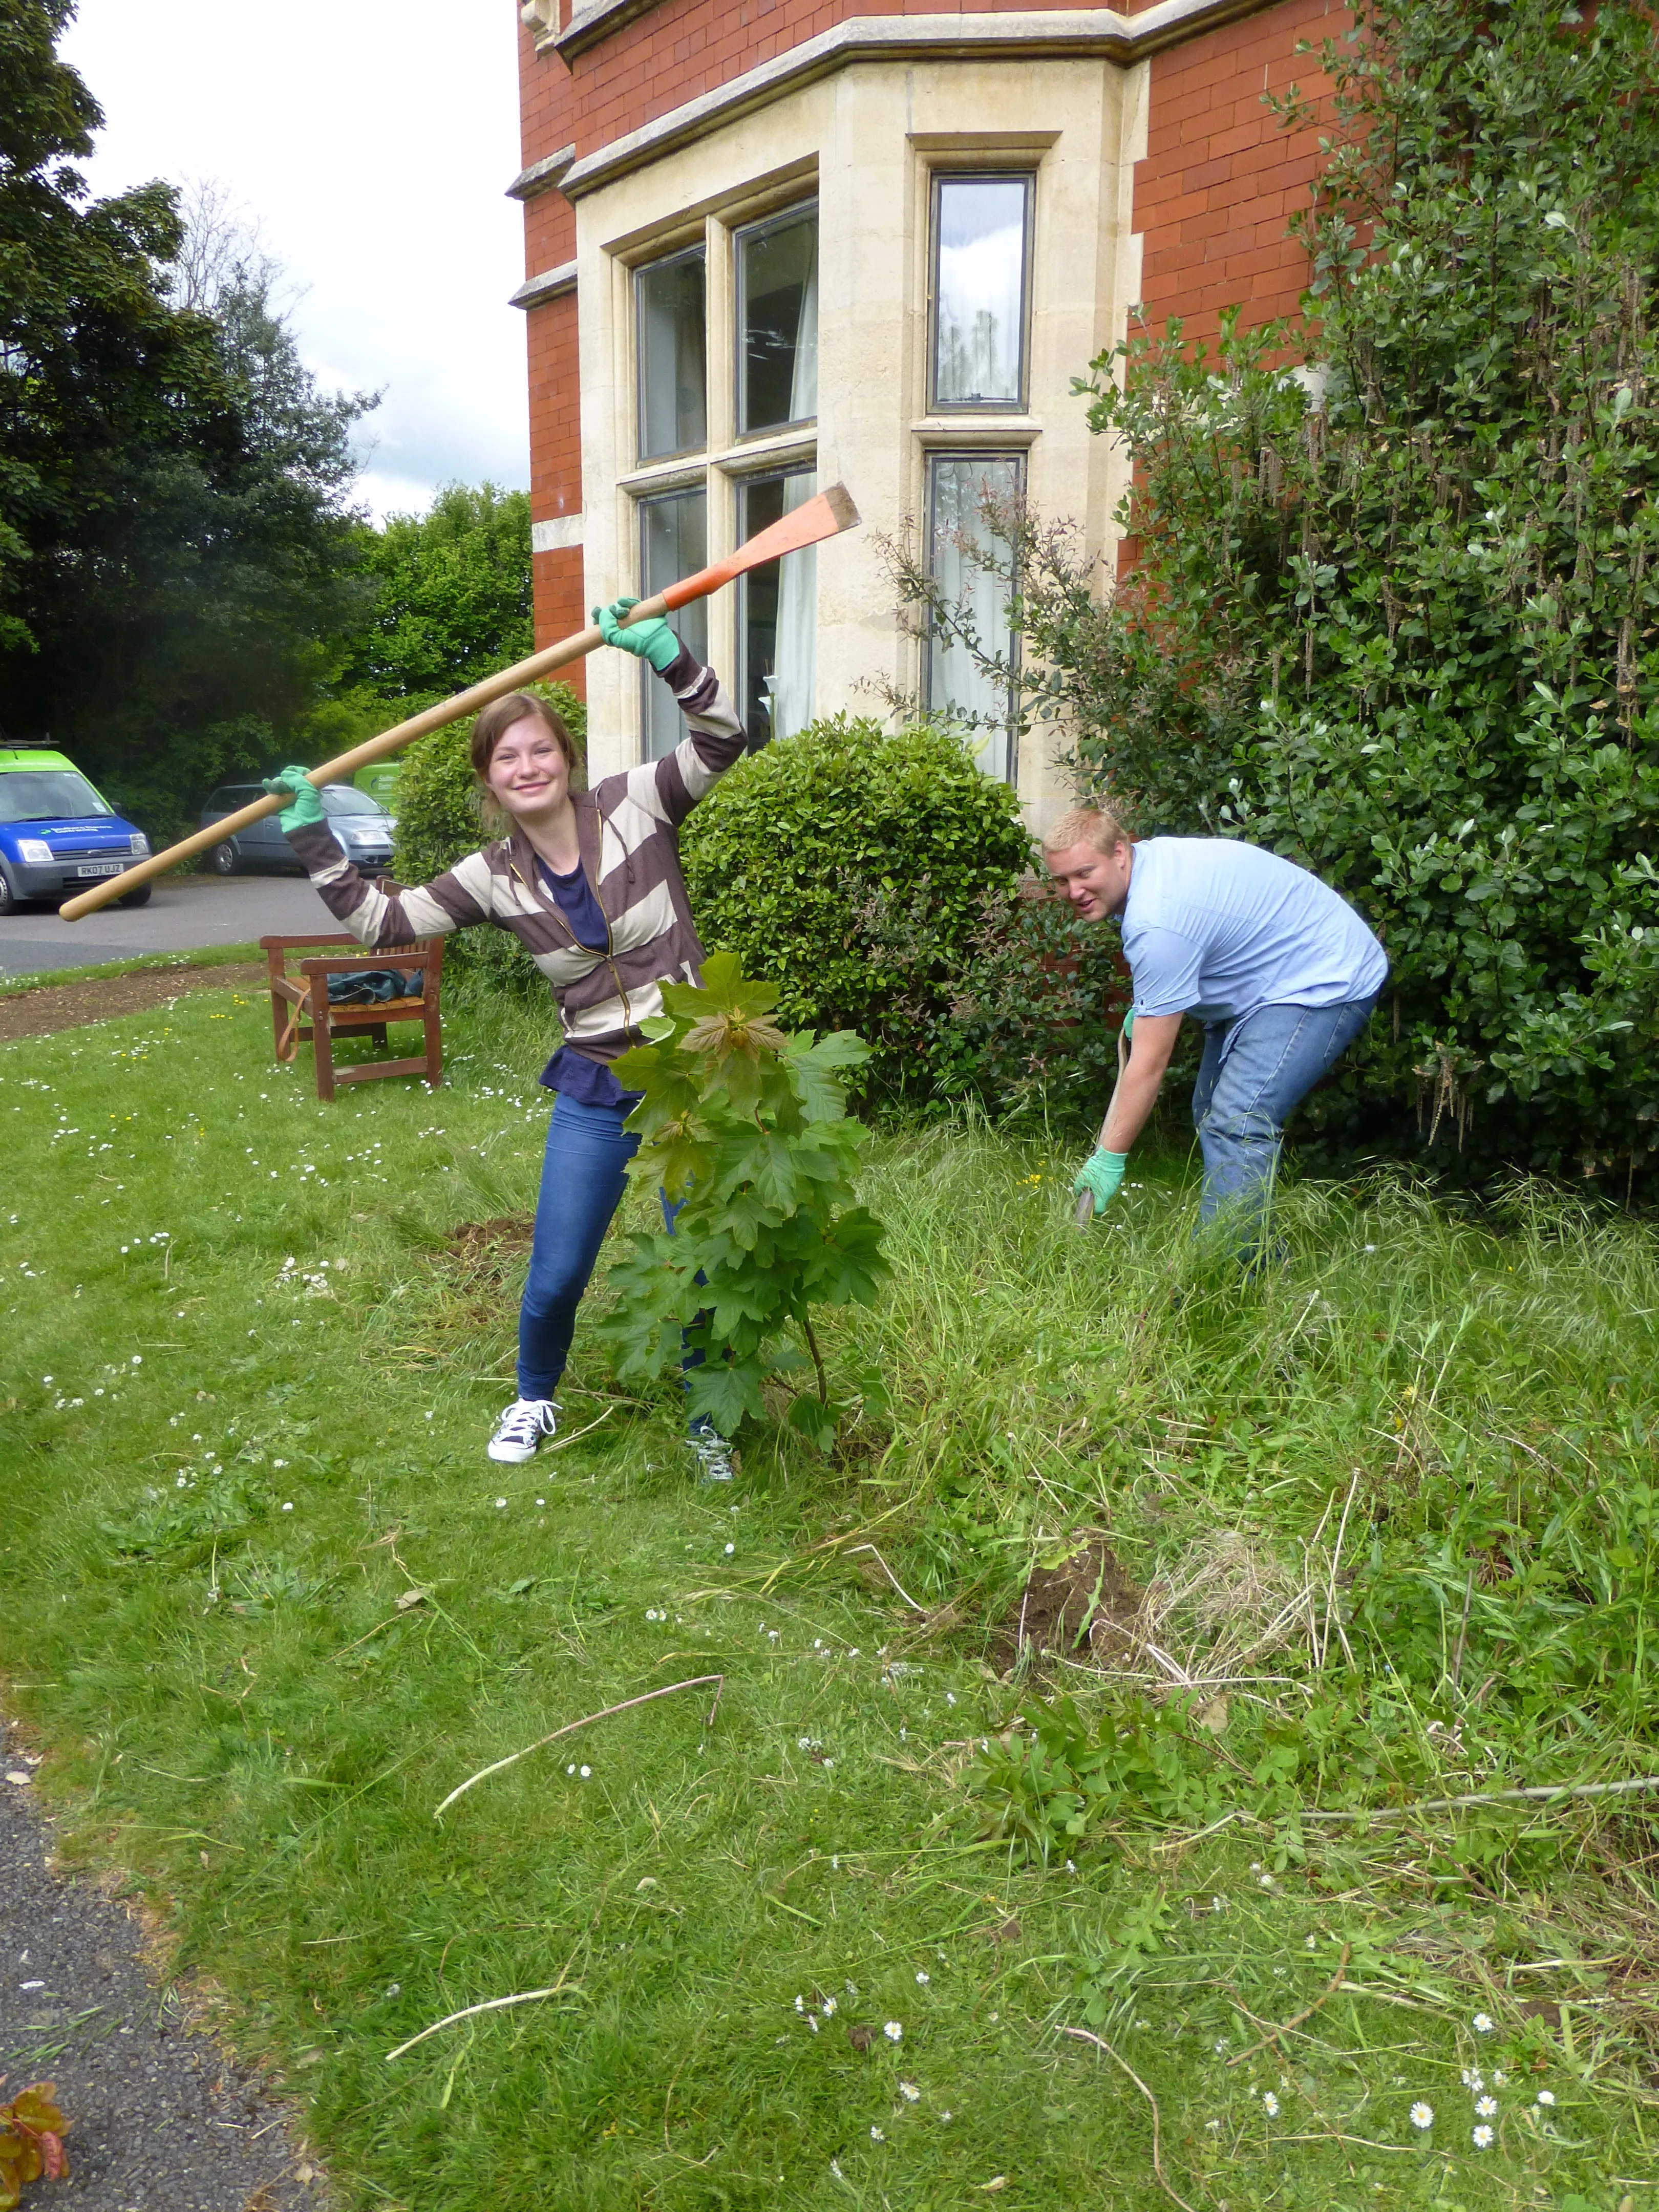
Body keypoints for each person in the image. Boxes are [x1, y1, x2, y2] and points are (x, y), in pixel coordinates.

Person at [262, 600, 745, 1474]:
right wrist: (311, 835)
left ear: (566, 758)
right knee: (558, 1266)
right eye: (506, 757)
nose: (526, 766)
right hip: (598, 1080)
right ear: (490, 781)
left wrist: (672, 656)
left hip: (694, 1076)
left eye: (540, 749)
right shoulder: (491, 877)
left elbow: (721, 738)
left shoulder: (637, 804)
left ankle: (707, 1415)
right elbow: (382, 921)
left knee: (701, 1259)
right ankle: (534, 1397)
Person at [1044, 807, 1388, 1245]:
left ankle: (1234, 1273)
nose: (1073, 891)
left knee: (1237, 1122)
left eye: (1083, 873)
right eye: (1060, 881)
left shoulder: (1158, 919)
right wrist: (1155, 1003)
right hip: (1263, 979)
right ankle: (1252, 1251)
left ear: (1120, 853)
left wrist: (1110, 1157)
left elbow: (1149, 1064)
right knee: (1212, 1113)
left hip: (1321, 977)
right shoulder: (1148, 872)